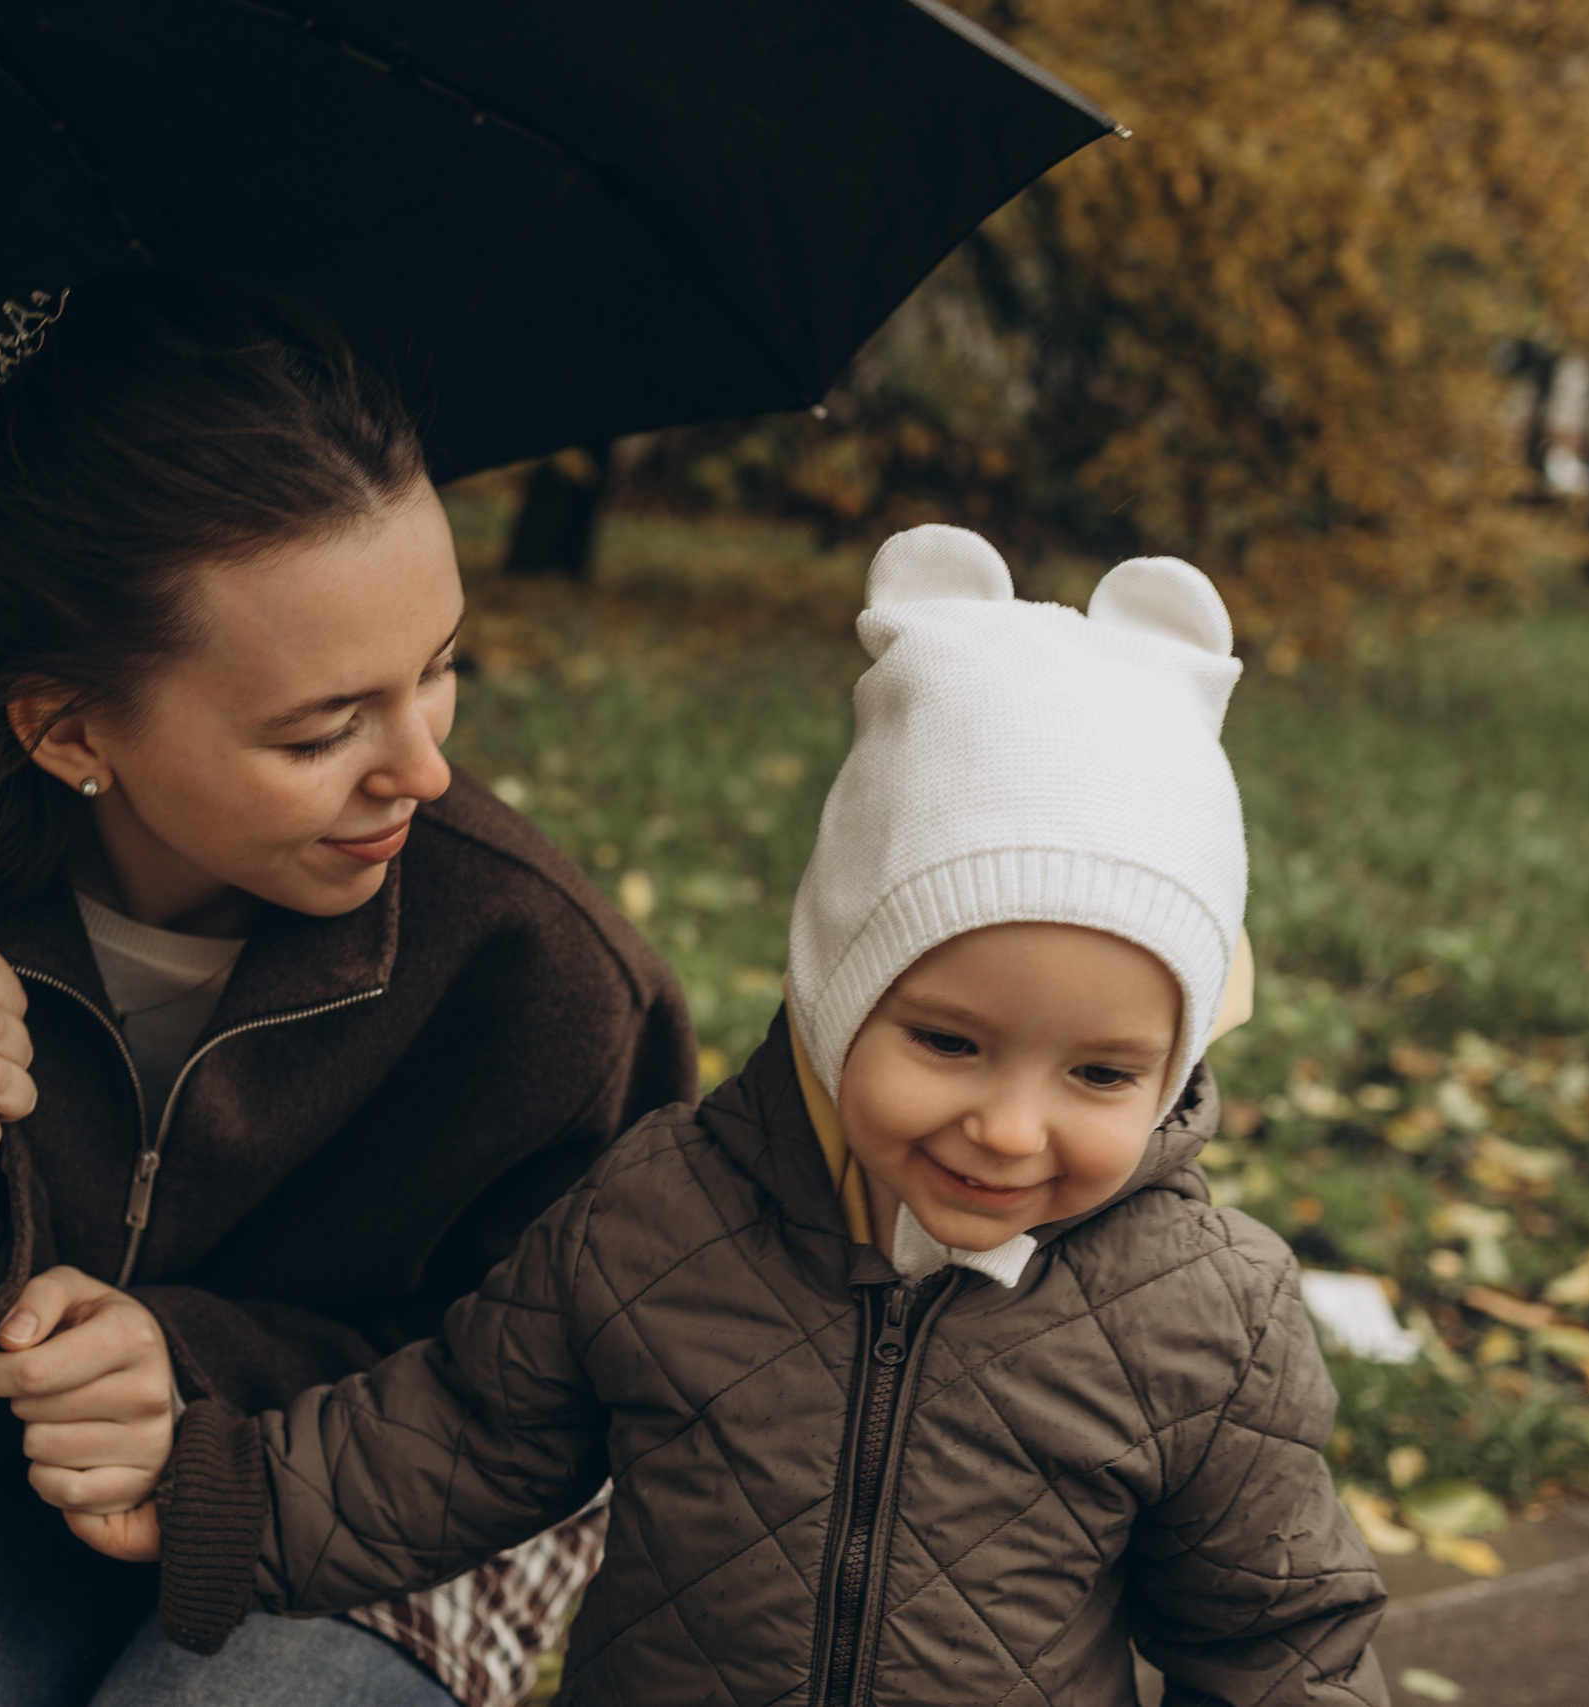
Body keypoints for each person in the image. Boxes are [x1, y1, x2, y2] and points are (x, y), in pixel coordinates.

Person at [152, 526, 1388, 1705]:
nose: (1012, 1128)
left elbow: (1273, 1637)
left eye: (1101, 1076)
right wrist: (223, 1503)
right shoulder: (661, 1213)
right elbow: (467, 1433)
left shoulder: (1204, 1318)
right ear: (837, 996)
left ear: (1171, 1068)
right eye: (949, 1044)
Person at [0, 274, 694, 1707]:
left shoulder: (539, 974)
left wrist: (193, 1378)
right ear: (66, 724)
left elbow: (561, 1396)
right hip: (12, 1489)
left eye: (439, 667)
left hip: (387, 1494)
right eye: (323, 728)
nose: (421, 766)